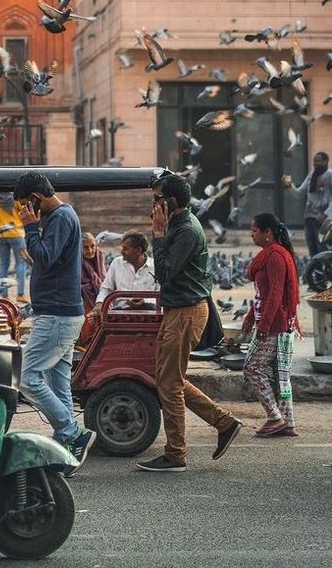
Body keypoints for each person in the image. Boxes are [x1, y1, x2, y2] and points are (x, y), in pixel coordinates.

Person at [138, 174, 241, 473]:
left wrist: (157, 234)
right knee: (169, 378)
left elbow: (165, 273)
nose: (154, 205)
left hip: (186, 312)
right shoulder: (179, 225)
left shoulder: (185, 230)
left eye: (158, 199)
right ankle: (224, 422)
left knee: (169, 383)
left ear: (171, 202)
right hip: (178, 310)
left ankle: (176, 454)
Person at [13, 171, 95, 474]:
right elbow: (51, 259)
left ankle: (73, 433)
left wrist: (30, 228)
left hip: (58, 315)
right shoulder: (61, 217)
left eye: (25, 204)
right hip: (61, 312)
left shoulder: (59, 217)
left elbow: (46, 257)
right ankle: (66, 445)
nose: (23, 211)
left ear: (35, 198)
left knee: (27, 375)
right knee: (58, 381)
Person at [241, 213, 301, 438]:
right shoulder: (272, 254)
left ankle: (275, 418)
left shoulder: (275, 256)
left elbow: (275, 294)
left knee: (252, 367)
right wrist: (250, 317)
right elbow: (262, 294)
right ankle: (288, 423)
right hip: (278, 322)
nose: (251, 234)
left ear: (268, 233)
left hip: (275, 325)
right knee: (278, 374)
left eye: (255, 230)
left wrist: (263, 325)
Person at [87, 231, 156, 323]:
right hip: (121, 314)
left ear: (138, 250)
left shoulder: (155, 266)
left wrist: (145, 300)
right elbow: (106, 288)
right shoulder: (117, 263)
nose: (122, 252)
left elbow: (163, 293)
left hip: (150, 315)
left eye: (125, 249)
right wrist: (99, 304)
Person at [282, 152, 332, 257]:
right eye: (314, 160)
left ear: (325, 161)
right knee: (312, 249)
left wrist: (325, 213)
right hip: (309, 217)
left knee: (322, 249)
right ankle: (314, 272)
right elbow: (300, 194)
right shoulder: (311, 175)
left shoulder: (330, 175)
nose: (315, 163)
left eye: (318, 161)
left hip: (324, 221)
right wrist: (290, 186)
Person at [0, 192, 28, 301]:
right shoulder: (15, 197)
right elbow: (23, 212)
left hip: (1, 234)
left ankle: (4, 295)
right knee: (21, 262)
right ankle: (20, 294)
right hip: (16, 233)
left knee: (4, 263)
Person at [76, 232, 106, 347]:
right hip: (82, 297)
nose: (90, 250)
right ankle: (86, 340)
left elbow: (104, 279)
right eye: (86, 247)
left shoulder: (99, 256)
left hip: (99, 295)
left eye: (92, 246)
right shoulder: (77, 260)